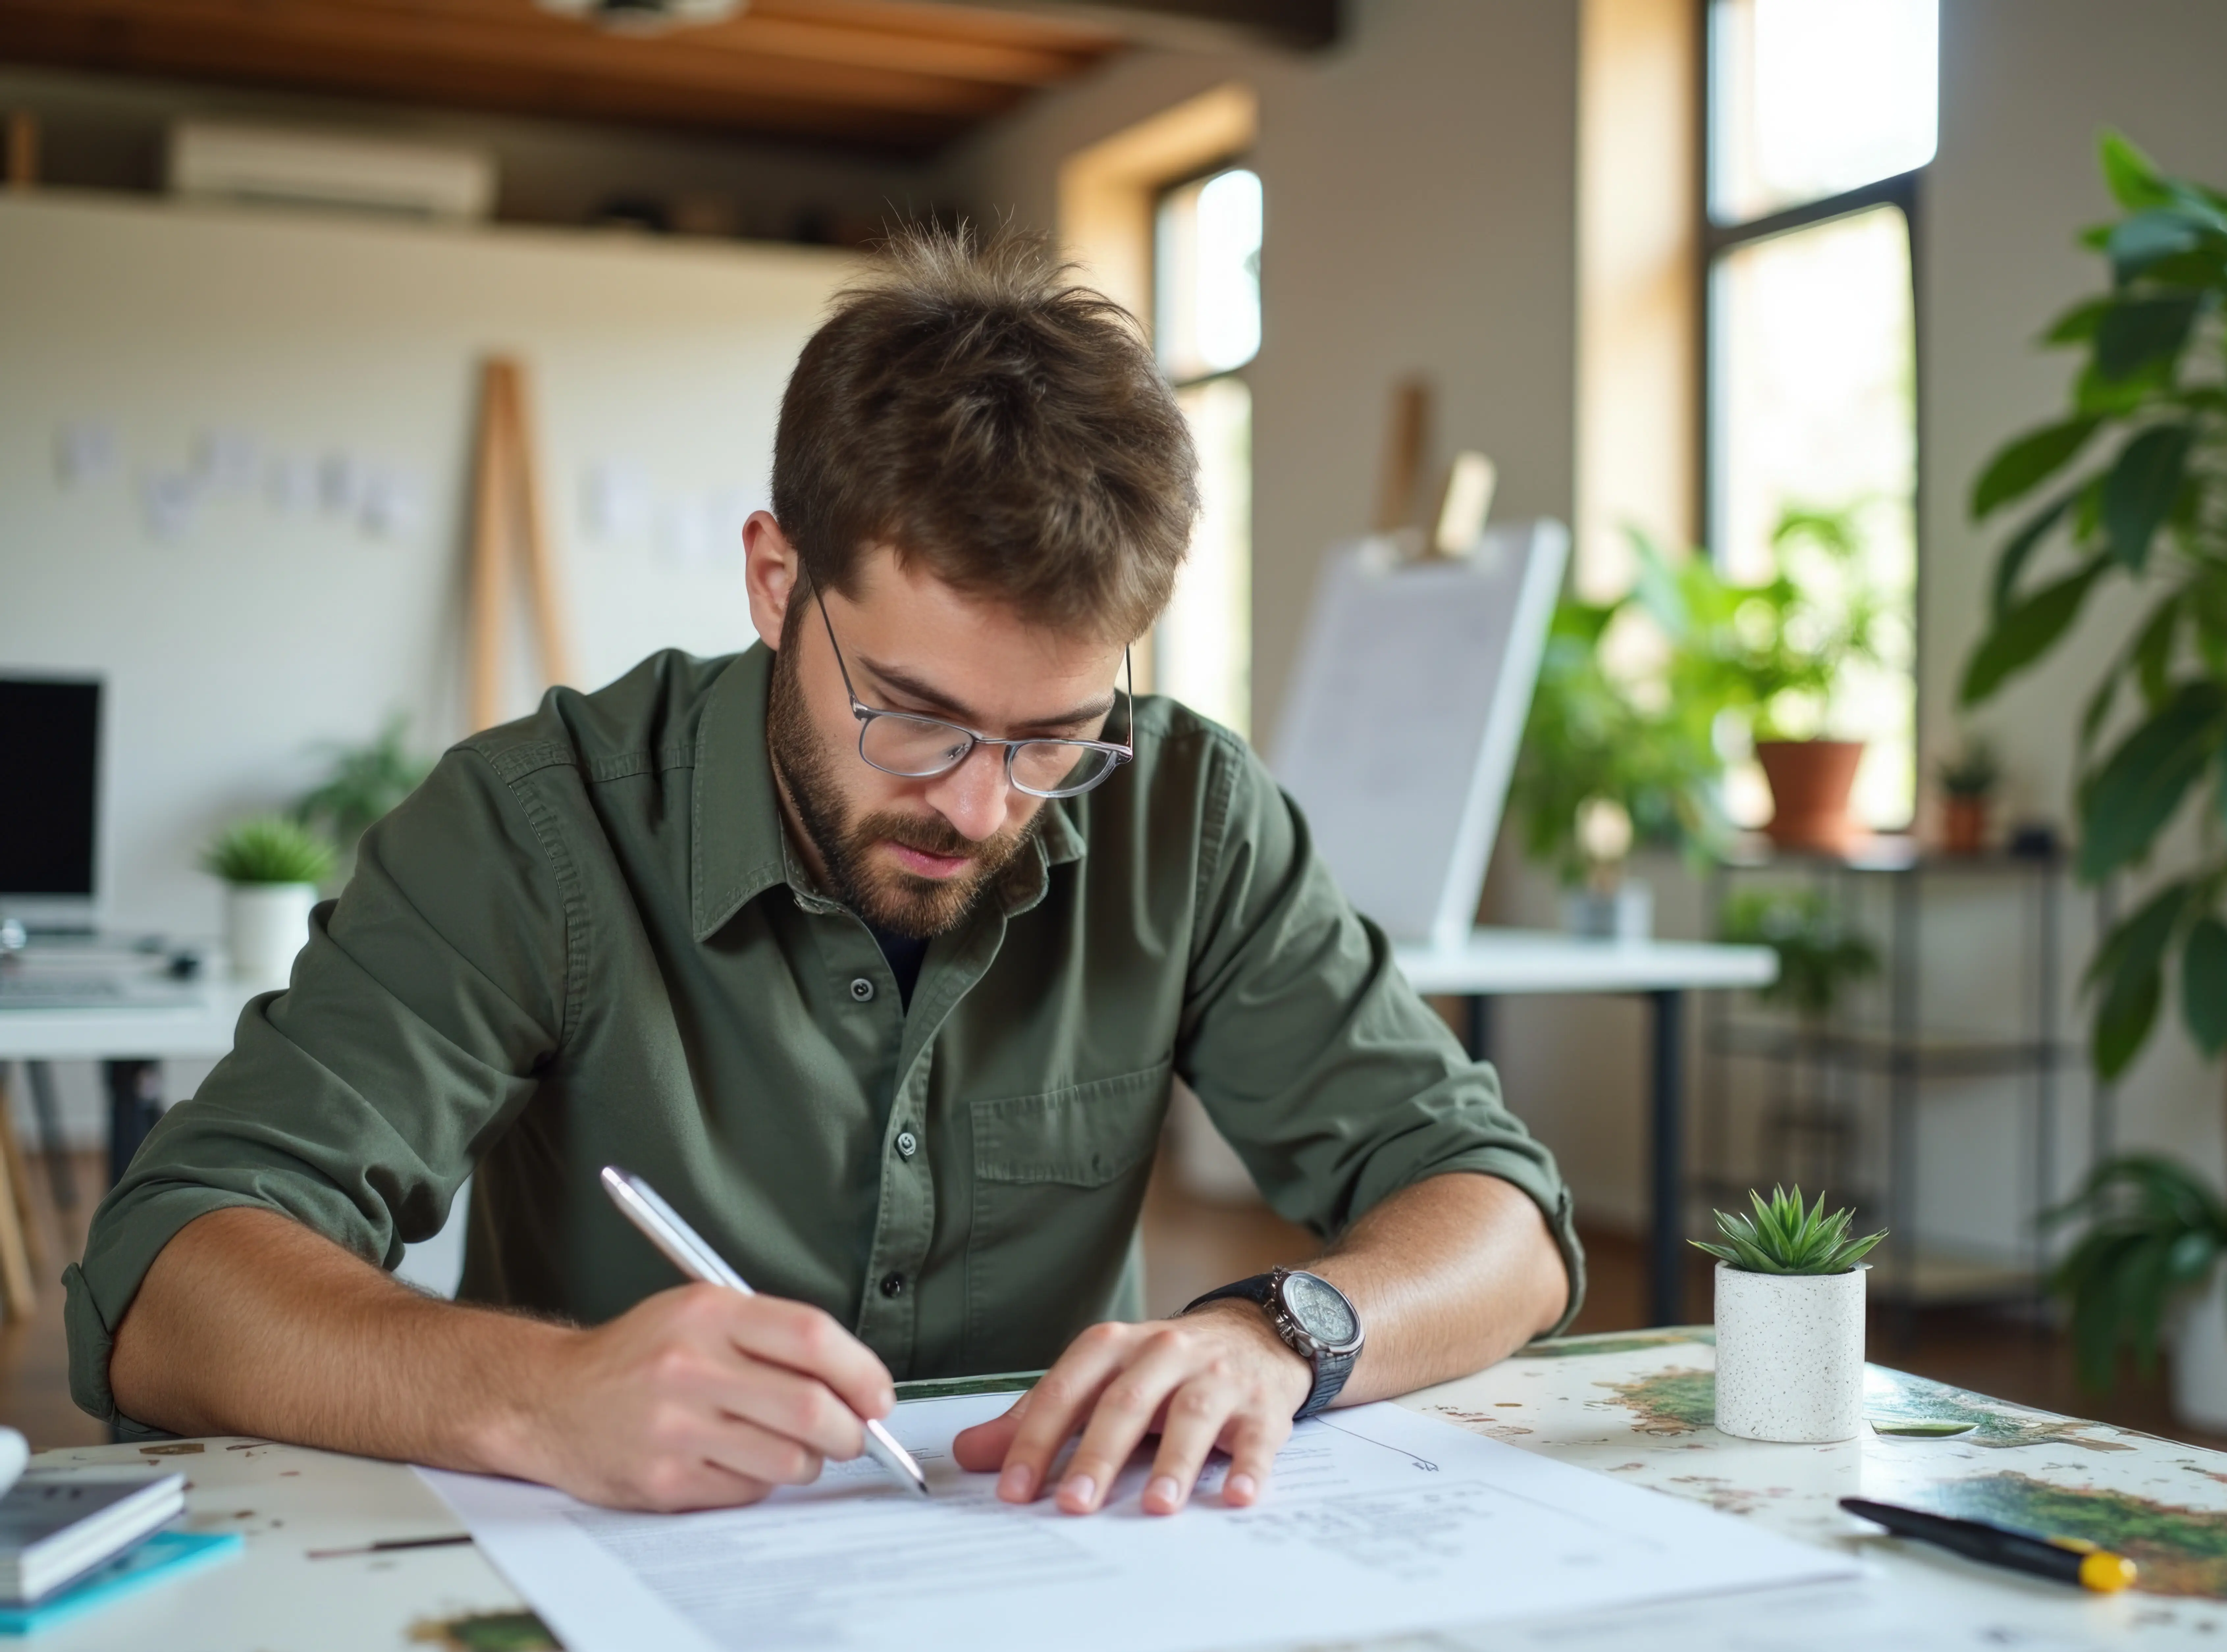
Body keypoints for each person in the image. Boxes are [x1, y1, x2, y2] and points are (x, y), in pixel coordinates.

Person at [69, 227, 1580, 1517]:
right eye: (914, 716)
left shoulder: (1188, 810)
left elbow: (1499, 1216)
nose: (985, 807)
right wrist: (539, 1397)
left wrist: (1284, 1329)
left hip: (1053, 1585)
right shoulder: (537, 825)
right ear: (777, 579)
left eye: (1055, 737)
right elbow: (166, 1280)